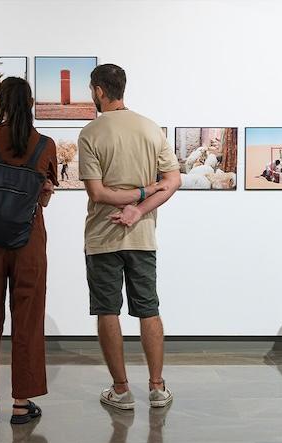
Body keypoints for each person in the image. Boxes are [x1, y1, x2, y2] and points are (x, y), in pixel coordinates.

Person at [78, 64, 181, 410]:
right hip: (142, 236)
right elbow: (173, 181)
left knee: (108, 310)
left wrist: (134, 199)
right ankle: (156, 387)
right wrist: (141, 205)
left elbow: (98, 193)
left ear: (99, 91)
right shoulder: (150, 129)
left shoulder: (91, 133)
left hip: (103, 236)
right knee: (148, 308)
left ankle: (121, 390)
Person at [0, 77, 58, 424]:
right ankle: (22, 403)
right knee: (29, 318)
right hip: (29, 240)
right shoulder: (45, 145)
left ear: (0, 103)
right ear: (31, 103)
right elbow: (45, 196)